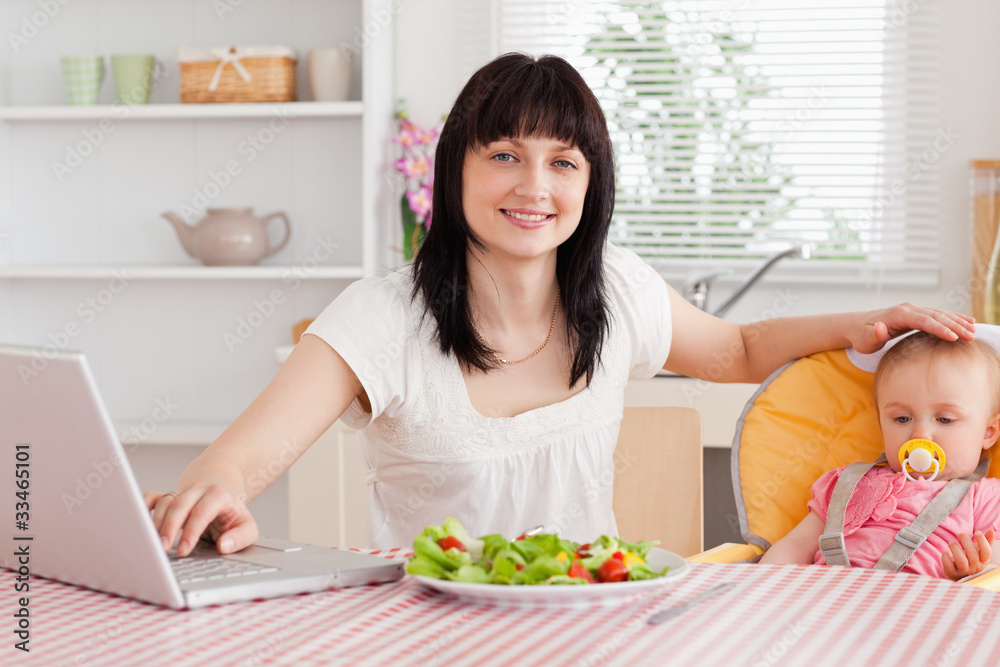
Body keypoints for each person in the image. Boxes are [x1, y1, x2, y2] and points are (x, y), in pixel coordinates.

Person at [146, 53, 976, 556]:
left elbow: (738, 352)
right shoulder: (383, 316)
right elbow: (230, 466)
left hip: (590, 631)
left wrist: (870, 324)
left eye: (563, 161)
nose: (534, 187)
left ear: (591, 181)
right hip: (423, 637)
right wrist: (210, 494)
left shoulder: (616, 290)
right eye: (504, 153)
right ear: (455, 171)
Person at [760, 332, 1000, 580]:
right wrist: (761, 584)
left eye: (945, 419)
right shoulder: (847, 482)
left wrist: (971, 574)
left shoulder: (985, 499)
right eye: (902, 419)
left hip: (919, 609)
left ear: (988, 433)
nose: (920, 434)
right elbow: (795, 546)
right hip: (826, 599)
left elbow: (996, 571)